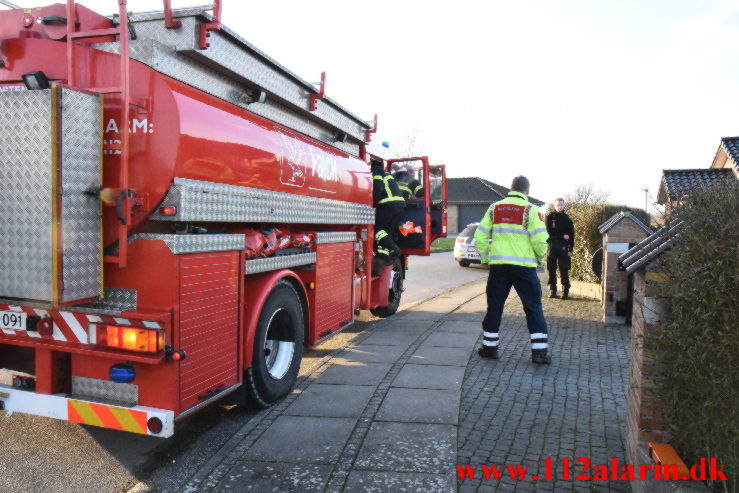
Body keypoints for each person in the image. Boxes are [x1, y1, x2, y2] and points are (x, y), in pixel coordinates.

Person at [474, 175, 551, 364]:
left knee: (495, 306)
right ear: (527, 191)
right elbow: (540, 240)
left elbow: (481, 236)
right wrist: (539, 258)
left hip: (499, 266)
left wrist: (485, 257)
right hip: (524, 267)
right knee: (533, 307)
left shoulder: (494, 208)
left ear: (511, 188)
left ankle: (490, 348)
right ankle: (539, 353)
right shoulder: (532, 210)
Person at [371, 159, 406, 266]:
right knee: (387, 233)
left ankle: (394, 249)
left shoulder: (376, 170)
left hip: (388, 205)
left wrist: (372, 204)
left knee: (377, 230)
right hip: (399, 206)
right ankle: (383, 257)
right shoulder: (387, 173)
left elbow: (378, 188)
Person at [545, 197, 575, 299]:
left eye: (561, 205)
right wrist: (562, 236)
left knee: (564, 268)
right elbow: (549, 233)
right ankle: (553, 290)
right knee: (551, 268)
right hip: (552, 245)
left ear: (564, 205)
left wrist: (571, 249)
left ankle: (565, 291)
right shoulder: (549, 217)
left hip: (563, 247)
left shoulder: (567, 218)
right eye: (558, 205)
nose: (560, 206)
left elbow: (571, 235)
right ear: (555, 206)